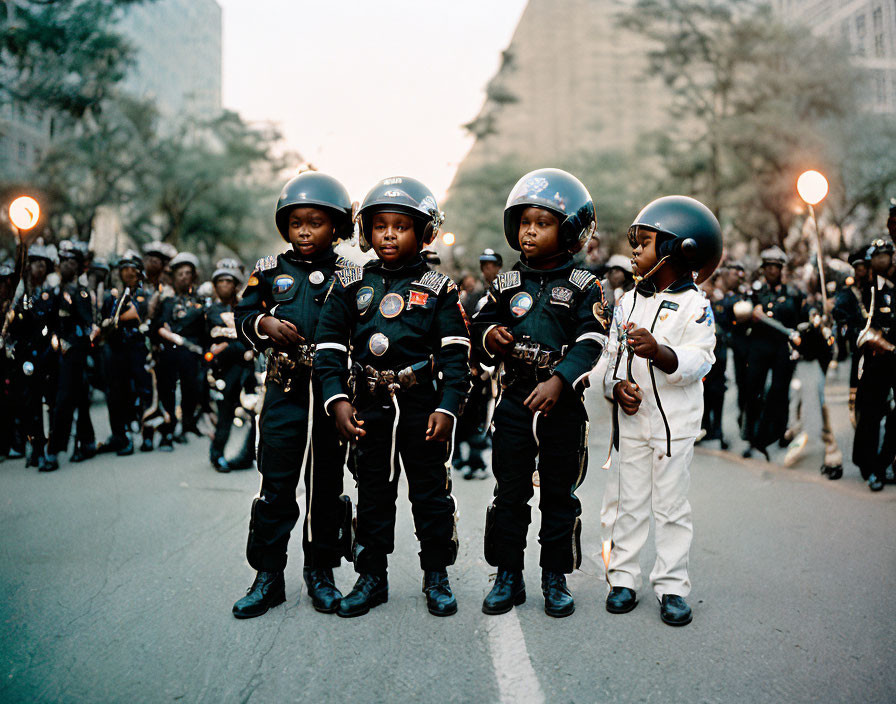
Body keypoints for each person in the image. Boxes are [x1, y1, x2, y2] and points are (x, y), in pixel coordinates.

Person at [315, 176, 471, 618]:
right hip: (369, 406)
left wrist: (447, 407)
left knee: (430, 495)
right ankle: (371, 576)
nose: (389, 234)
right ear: (367, 231)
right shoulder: (349, 283)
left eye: (401, 226)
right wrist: (336, 400)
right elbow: (329, 349)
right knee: (372, 496)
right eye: (380, 225)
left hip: (422, 407)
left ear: (423, 233)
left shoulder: (441, 289)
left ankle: (436, 574)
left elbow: (457, 357)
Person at [472, 168, 605, 618]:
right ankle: (509, 575)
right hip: (513, 399)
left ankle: (556, 577)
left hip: (561, 403)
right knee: (509, 492)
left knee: (558, 495)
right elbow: (478, 325)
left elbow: (594, 340)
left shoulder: (586, 286)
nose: (530, 230)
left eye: (542, 223)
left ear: (568, 231)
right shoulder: (505, 284)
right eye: (525, 221)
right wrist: (491, 335)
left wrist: (561, 378)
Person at [232, 172, 355, 619]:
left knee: (326, 483)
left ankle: (321, 573)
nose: (305, 230)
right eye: (297, 221)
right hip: (284, 389)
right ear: (285, 225)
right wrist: (264, 324)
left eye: (317, 222)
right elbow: (243, 313)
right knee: (276, 481)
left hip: (331, 391)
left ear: (337, 226)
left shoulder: (354, 275)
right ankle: (268, 577)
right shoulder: (267, 271)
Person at [601, 195, 720, 627]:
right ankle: (624, 578)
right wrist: (616, 387)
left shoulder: (696, 305)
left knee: (671, 507)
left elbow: (701, 358)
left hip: (674, 425)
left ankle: (671, 586)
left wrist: (662, 353)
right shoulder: (626, 301)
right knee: (627, 502)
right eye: (635, 241)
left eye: (644, 242)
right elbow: (611, 356)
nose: (634, 250)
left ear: (677, 249)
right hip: (634, 420)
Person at [741, 247, 806, 460]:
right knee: (753, 391)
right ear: (763, 269)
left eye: (775, 267)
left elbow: (800, 320)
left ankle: (779, 433)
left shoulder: (793, 293)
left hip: (781, 347)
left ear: (781, 269)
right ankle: (751, 437)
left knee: (779, 391)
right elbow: (740, 317)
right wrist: (751, 316)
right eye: (768, 267)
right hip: (759, 347)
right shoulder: (754, 293)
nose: (771, 271)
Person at [95, 250, 154, 457]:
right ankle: (121, 435)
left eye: (131, 267)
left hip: (137, 348)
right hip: (116, 350)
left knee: (143, 390)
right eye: (123, 267)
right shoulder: (114, 297)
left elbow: (136, 314)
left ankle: (148, 433)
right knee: (116, 394)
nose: (126, 271)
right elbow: (103, 323)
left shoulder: (143, 294)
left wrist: (113, 322)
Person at [43, 241, 96, 472]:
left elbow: (87, 326)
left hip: (74, 355)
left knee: (65, 401)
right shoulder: (53, 292)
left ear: (78, 267)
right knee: (74, 399)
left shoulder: (81, 293)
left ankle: (54, 451)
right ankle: (87, 442)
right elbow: (48, 324)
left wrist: (72, 344)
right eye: (63, 261)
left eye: (71, 262)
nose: (66, 265)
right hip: (54, 354)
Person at [850, 238, 896, 491]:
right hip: (875, 360)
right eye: (876, 257)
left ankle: (884, 463)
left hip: (894, 356)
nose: (881, 260)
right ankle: (869, 467)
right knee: (870, 413)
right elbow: (855, 324)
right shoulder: (865, 290)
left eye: (885, 255)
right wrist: (867, 338)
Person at [153, 252, 206, 450]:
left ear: (193, 276)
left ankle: (185, 426)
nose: (184, 277)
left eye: (187, 273)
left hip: (191, 355)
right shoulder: (166, 300)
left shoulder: (200, 301)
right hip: (168, 354)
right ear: (174, 276)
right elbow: (157, 326)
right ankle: (167, 433)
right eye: (180, 273)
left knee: (190, 390)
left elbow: (204, 330)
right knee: (167, 392)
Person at [205, 258, 253, 472]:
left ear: (236, 285)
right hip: (225, 371)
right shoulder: (212, 310)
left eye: (229, 281)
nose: (225, 285)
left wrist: (229, 343)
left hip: (249, 372)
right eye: (221, 281)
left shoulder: (246, 307)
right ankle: (217, 456)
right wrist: (238, 345)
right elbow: (229, 338)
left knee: (256, 415)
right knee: (225, 415)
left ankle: (247, 455)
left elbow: (246, 338)